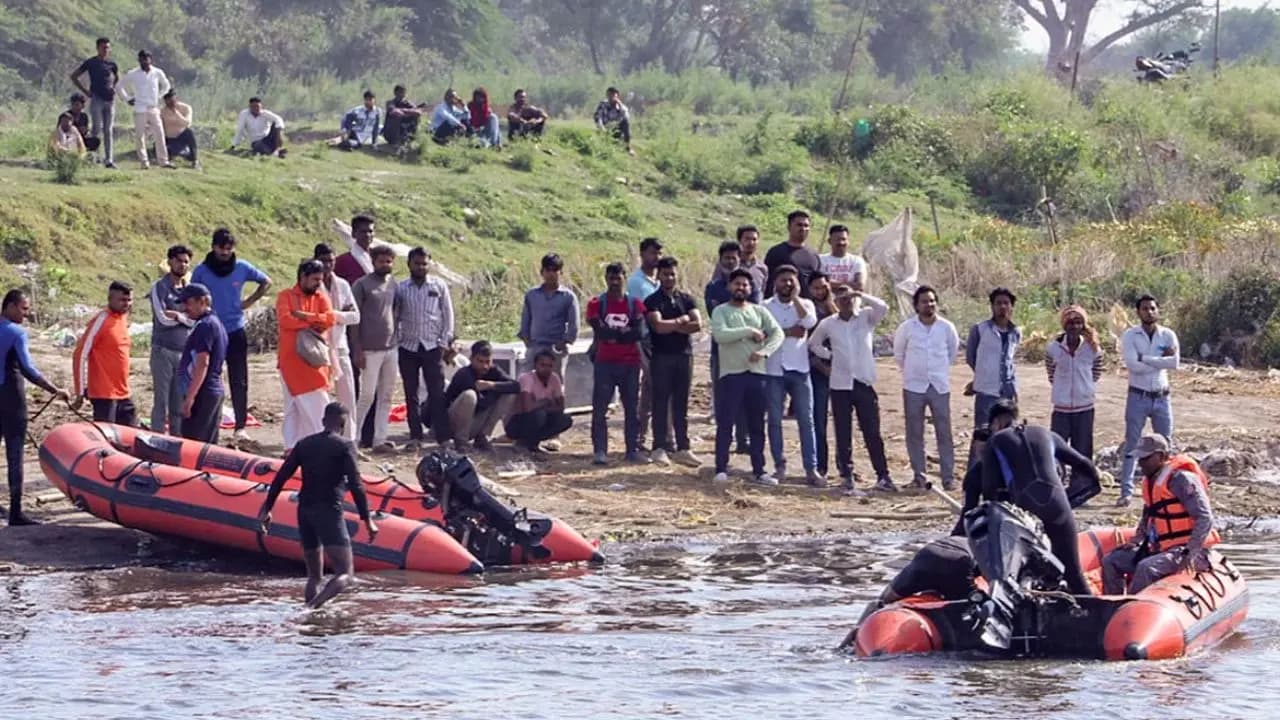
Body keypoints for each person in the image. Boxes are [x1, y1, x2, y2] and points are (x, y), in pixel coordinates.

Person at [257, 402, 378, 609]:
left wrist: (267, 508)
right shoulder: (345, 446)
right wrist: (367, 520)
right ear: (344, 424)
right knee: (346, 574)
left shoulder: (304, 444)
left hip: (305, 510)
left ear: (323, 421)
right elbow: (356, 484)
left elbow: (281, 477)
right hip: (329, 511)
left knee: (314, 576)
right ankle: (310, 609)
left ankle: (311, 615)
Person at [980, 417, 1103, 596]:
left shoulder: (995, 442)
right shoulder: (1046, 433)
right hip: (1057, 502)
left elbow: (989, 488)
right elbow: (1085, 464)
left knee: (1020, 579)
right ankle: (1090, 610)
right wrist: (1075, 496)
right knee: (1074, 574)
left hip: (1025, 509)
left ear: (997, 423)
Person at [1102, 434, 1217, 595]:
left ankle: (1133, 606)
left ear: (1161, 456)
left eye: (1146, 458)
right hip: (1162, 549)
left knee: (1146, 567)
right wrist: (1137, 539)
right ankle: (1113, 604)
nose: (1141, 463)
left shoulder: (1182, 480)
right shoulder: (1151, 481)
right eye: (1140, 458)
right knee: (1111, 561)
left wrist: (1189, 553)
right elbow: (1148, 515)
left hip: (1190, 551)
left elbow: (1204, 518)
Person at [809, 284, 894, 496]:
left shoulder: (866, 317)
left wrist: (861, 294)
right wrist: (830, 356)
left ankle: (883, 475)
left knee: (872, 431)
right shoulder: (828, 323)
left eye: (848, 298)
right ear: (835, 301)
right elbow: (813, 344)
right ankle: (846, 475)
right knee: (842, 432)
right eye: (841, 298)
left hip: (863, 381)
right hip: (840, 384)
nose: (845, 301)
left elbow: (883, 307)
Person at [191, 229, 272, 444]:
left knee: (239, 379)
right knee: (209, 377)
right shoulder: (201, 271)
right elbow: (191, 295)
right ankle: (208, 422)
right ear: (213, 247)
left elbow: (266, 281)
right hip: (211, 331)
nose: (225, 253)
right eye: (221, 248)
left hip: (235, 329)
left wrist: (249, 301)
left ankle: (240, 426)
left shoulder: (242, 267)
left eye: (229, 249)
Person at [1, 290, 70, 526]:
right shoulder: (16, 332)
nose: (26, 314)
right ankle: (16, 512)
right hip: (11, 398)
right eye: (23, 309)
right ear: (10, 306)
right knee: (14, 453)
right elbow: (28, 369)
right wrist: (55, 390)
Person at [710, 269, 784, 486]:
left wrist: (764, 352)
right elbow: (720, 335)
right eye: (737, 284)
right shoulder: (721, 311)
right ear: (729, 287)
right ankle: (721, 468)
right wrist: (749, 331)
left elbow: (777, 333)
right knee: (726, 423)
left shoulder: (759, 311)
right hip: (731, 374)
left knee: (756, 425)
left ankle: (759, 470)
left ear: (750, 289)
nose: (740, 288)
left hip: (757, 374)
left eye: (745, 285)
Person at [894, 286, 960, 490]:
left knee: (944, 432)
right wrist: (913, 372)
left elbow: (952, 353)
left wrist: (937, 371)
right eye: (924, 301)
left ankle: (948, 477)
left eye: (932, 301)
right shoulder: (907, 328)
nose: (929, 305)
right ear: (916, 305)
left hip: (939, 386)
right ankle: (920, 476)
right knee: (914, 433)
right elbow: (899, 354)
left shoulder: (946, 327)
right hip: (914, 386)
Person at [1117, 295, 1180, 507]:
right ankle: (1126, 492)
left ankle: (1167, 489)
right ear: (1138, 312)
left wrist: (1145, 358)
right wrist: (1160, 361)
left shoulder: (1167, 335)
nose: (1149, 312)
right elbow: (1132, 365)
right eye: (1145, 309)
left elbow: (1174, 363)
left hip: (1162, 397)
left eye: (1152, 308)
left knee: (1165, 444)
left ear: (1158, 310)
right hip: (1138, 395)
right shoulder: (1130, 335)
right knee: (1132, 443)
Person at [762, 265, 820, 484]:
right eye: (783, 280)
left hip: (800, 369)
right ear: (775, 283)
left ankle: (811, 469)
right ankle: (779, 466)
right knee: (775, 421)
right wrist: (788, 332)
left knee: (806, 420)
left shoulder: (806, 304)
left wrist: (796, 299)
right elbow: (764, 333)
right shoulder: (765, 306)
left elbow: (809, 323)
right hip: (774, 370)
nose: (787, 284)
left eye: (791, 281)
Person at [644, 257, 702, 468]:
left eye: (672, 274)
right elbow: (658, 327)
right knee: (660, 402)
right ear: (658, 276)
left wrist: (673, 325)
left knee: (681, 403)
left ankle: (683, 447)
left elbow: (698, 324)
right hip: (661, 356)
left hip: (684, 355)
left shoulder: (687, 299)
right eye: (665, 274)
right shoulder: (652, 301)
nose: (669, 278)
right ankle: (659, 447)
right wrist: (681, 321)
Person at [587, 263, 646, 465]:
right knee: (600, 409)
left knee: (631, 409)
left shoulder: (635, 304)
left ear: (624, 279)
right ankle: (600, 451)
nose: (614, 282)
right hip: (605, 362)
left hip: (630, 363)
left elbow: (639, 332)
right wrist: (624, 333)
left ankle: (632, 450)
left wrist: (615, 335)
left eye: (618, 278)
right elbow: (601, 332)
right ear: (606, 279)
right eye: (611, 278)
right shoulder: (596, 304)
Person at [395, 247, 454, 448]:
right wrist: (397, 340)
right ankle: (415, 436)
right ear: (409, 264)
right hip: (408, 346)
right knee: (410, 393)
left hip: (432, 345)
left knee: (437, 392)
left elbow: (447, 314)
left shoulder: (439, 285)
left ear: (429, 264)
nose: (420, 267)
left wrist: (444, 342)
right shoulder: (401, 288)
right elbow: (395, 316)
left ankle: (443, 437)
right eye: (417, 263)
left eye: (424, 263)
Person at [851, 536, 978, 628]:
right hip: (958, 561)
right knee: (968, 609)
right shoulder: (982, 546)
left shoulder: (963, 537)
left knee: (883, 601)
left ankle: (853, 637)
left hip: (928, 555)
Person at [276, 260, 336, 453]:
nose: (319, 283)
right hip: (290, 361)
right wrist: (314, 322)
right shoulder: (286, 296)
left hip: (314, 362)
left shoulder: (321, 297)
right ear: (303, 277)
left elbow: (330, 319)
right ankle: (292, 448)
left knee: (319, 405)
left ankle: (318, 448)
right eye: (315, 279)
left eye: (320, 280)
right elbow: (285, 320)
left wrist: (304, 316)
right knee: (292, 408)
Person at [705, 240, 757, 454]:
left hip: (745, 351)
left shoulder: (750, 286)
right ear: (720, 260)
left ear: (739, 259)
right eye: (726, 258)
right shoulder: (713, 287)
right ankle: (723, 441)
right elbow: (717, 319)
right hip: (721, 351)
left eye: (733, 257)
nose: (730, 261)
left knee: (744, 396)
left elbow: (754, 317)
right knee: (722, 397)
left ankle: (743, 440)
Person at [1045, 305, 1104, 491]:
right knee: (1058, 449)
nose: (1074, 326)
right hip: (1061, 409)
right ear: (1064, 325)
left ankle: (1081, 487)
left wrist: (1084, 389)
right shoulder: (1053, 349)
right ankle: (1057, 486)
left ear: (1083, 324)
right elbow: (1051, 375)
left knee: (1083, 449)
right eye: (1070, 322)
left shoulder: (1092, 349)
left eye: (1078, 322)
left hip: (1084, 407)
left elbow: (1095, 374)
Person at [351, 244, 399, 454]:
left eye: (389, 261)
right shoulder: (362, 285)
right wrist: (357, 348)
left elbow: (395, 312)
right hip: (369, 350)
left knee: (386, 396)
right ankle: (353, 439)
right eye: (381, 261)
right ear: (373, 261)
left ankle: (380, 439)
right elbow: (354, 319)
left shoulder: (393, 284)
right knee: (367, 396)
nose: (385, 265)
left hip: (391, 348)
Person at [71, 281, 136, 425]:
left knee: (132, 432)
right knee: (107, 435)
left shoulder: (122, 318)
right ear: (110, 299)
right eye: (122, 300)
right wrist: (79, 392)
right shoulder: (102, 320)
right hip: (104, 394)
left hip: (123, 392)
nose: (126, 304)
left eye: (129, 300)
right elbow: (80, 355)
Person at [315, 244, 360, 442]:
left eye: (331, 261)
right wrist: (339, 315)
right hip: (318, 348)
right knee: (320, 397)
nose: (327, 265)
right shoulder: (312, 284)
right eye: (323, 260)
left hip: (340, 347)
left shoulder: (342, 285)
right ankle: (322, 440)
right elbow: (312, 317)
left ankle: (350, 440)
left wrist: (331, 315)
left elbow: (355, 316)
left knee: (347, 396)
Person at [149, 245, 194, 434]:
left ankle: (177, 441)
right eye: (179, 261)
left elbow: (194, 320)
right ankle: (156, 439)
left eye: (186, 262)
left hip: (183, 353)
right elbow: (162, 319)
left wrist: (177, 316)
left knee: (178, 404)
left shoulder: (189, 290)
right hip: (163, 351)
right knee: (161, 401)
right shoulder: (159, 287)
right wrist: (183, 317)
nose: (182, 265)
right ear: (170, 262)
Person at [444, 341, 520, 451]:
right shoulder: (464, 374)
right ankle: (461, 441)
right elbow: (480, 404)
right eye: (480, 361)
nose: (484, 366)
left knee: (509, 394)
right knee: (470, 396)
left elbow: (516, 386)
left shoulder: (493, 371)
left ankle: (482, 437)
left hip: (475, 423)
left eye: (487, 361)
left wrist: (491, 385)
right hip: (453, 425)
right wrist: (496, 391)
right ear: (471, 359)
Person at [176, 283, 227, 444]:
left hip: (203, 393)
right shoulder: (215, 323)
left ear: (202, 301)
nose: (185, 308)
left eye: (188, 303)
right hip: (211, 390)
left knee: (195, 444)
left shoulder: (205, 326)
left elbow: (202, 363)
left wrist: (190, 398)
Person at [965, 288, 1021, 432]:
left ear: (1011, 307)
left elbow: (1010, 361)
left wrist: (1014, 388)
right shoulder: (980, 330)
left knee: (1007, 434)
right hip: (986, 391)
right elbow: (971, 357)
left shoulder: (1015, 332)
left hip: (1007, 392)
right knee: (983, 433)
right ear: (992, 306)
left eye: (1006, 303)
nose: (1002, 307)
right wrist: (984, 373)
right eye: (998, 303)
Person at [518, 253, 579, 379]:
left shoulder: (568, 297)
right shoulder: (532, 295)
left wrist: (563, 343)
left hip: (556, 348)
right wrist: (527, 342)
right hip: (535, 347)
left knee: (555, 383)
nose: (551, 274)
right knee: (527, 382)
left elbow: (574, 325)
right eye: (548, 270)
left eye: (555, 270)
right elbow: (525, 321)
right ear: (542, 272)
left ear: (561, 272)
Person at [629, 237, 663, 450]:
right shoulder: (636, 282)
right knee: (651, 386)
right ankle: (639, 436)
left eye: (659, 253)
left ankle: (645, 436)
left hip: (661, 341)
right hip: (643, 340)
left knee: (652, 389)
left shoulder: (659, 281)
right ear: (642, 254)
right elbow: (638, 314)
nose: (656, 257)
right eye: (652, 253)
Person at [506, 350, 574, 456]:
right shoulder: (526, 378)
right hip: (516, 422)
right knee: (539, 415)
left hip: (540, 416)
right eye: (542, 365)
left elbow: (561, 407)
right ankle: (522, 442)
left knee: (565, 419)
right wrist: (546, 402)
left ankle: (533, 444)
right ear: (535, 365)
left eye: (550, 366)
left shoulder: (554, 378)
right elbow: (527, 408)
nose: (546, 369)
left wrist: (538, 405)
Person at [116, 50, 173, 169]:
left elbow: (166, 85)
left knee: (159, 133)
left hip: (153, 107)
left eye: (146, 59)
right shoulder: (133, 73)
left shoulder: (157, 72)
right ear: (139, 60)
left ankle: (163, 161)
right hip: (140, 108)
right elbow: (119, 86)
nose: (144, 62)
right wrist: (127, 98)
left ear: (150, 60)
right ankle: (144, 162)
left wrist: (159, 96)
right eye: (142, 60)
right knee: (140, 136)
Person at [69, 37, 119, 168]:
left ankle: (109, 159)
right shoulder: (91, 62)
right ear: (97, 48)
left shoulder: (112, 64)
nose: (105, 50)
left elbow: (116, 77)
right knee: (96, 128)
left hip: (110, 100)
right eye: (103, 47)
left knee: (108, 130)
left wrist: (113, 88)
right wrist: (85, 91)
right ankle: (94, 157)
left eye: (107, 48)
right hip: (97, 98)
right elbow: (74, 76)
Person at [807, 272, 837, 480]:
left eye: (823, 287)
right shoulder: (808, 310)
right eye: (816, 288)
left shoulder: (836, 308)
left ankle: (844, 466)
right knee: (818, 419)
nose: (820, 291)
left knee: (841, 420)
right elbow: (806, 343)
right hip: (815, 370)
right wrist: (819, 365)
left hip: (839, 370)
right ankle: (820, 465)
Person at [763, 210, 821, 299]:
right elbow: (767, 281)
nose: (803, 229)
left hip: (805, 305)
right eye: (799, 225)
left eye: (806, 226)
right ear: (789, 227)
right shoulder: (776, 252)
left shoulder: (814, 256)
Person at [820, 225, 868, 290]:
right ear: (829, 241)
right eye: (837, 239)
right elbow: (820, 284)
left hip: (851, 296)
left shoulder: (857, 261)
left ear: (848, 241)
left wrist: (831, 283)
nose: (841, 242)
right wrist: (850, 284)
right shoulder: (821, 260)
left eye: (843, 239)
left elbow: (860, 285)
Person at [160, 90, 199, 169]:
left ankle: (195, 160)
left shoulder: (186, 108)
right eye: (167, 101)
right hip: (169, 139)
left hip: (181, 136)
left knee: (189, 132)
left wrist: (176, 113)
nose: (170, 103)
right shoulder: (162, 111)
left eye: (171, 100)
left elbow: (187, 123)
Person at [594, 86, 633, 154]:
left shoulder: (620, 107)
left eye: (613, 95)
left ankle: (627, 148)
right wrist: (601, 127)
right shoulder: (603, 104)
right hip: (605, 128)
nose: (611, 97)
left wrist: (620, 104)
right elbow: (598, 117)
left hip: (616, 130)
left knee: (625, 121)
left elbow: (626, 116)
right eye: (609, 95)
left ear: (617, 96)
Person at [736, 225, 768, 298]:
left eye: (754, 239)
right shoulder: (730, 265)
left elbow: (762, 294)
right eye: (747, 239)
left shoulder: (762, 268)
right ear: (739, 241)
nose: (751, 243)